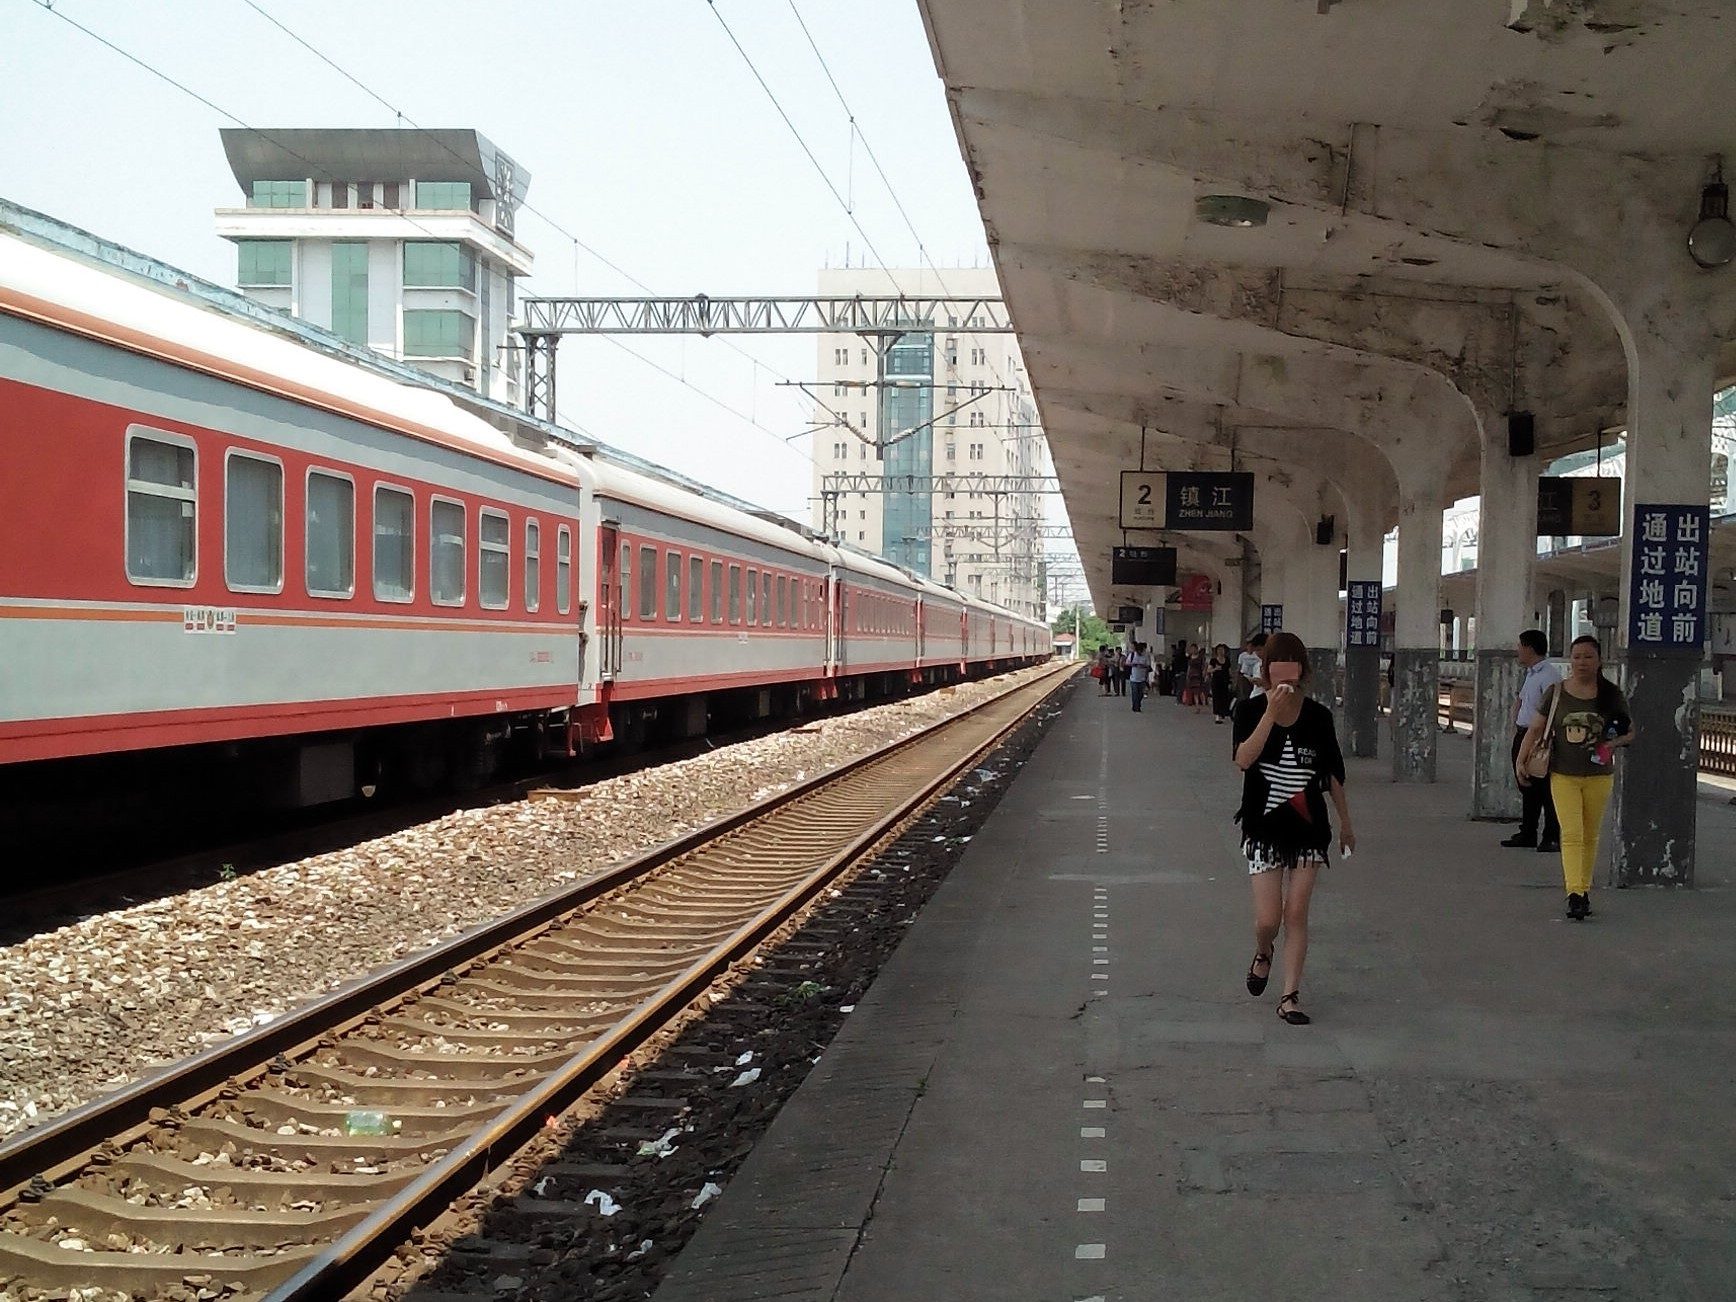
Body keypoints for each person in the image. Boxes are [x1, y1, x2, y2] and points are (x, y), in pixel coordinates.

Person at [1232, 633, 1355, 1026]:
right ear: (1266, 670)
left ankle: (1290, 996)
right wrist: (1270, 712)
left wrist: (1347, 824)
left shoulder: (1319, 716)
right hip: (1262, 826)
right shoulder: (1249, 712)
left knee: (1297, 912)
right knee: (1269, 918)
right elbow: (1243, 760)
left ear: (1302, 669)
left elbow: (1333, 774)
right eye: (1276, 665)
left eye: (1291, 665)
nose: (1284, 673)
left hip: (1309, 829)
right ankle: (1263, 951)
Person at [1516, 634, 1634, 920]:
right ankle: (1575, 894)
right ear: (1571, 660)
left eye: (1588, 656)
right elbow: (1534, 729)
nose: (1582, 662)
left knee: (1590, 835)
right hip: (1563, 774)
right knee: (1571, 833)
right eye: (1577, 656)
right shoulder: (1556, 693)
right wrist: (1521, 759)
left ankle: (1584, 886)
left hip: (1599, 775)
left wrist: (1610, 745)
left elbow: (1630, 731)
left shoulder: (1611, 694)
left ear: (1599, 660)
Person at [1501, 629, 1562, 852]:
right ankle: (1528, 831)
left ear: (1529, 647)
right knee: (1526, 785)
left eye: (1519, 646)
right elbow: (1523, 701)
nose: (1517, 650)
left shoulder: (1548, 676)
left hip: (1539, 739)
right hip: (1524, 734)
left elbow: (1553, 710)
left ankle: (1552, 835)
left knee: (1545, 788)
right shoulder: (1532, 673)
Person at [1237, 633, 1267, 702]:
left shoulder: (1273, 664)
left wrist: (1263, 682)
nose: (1258, 653)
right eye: (1256, 651)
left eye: (1259, 650)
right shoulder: (1257, 664)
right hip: (1256, 694)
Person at [1210, 643, 1234, 724]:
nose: (1221, 651)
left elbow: (1229, 671)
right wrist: (1216, 668)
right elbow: (1209, 670)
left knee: (1224, 697)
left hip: (1225, 681)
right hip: (1216, 681)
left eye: (1222, 650)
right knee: (1216, 698)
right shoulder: (1213, 660)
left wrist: (1231, 680)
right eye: (1219, 650)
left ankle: (1222, 713)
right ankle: (1217, 715)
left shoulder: (1227, 660)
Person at [1127, 641, 1153, 711]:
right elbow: (1127, 663)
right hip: (1133, 677)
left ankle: (1137, 703)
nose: (1139, 652)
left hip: (1142, 678)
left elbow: (1148, 666)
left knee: (1141, 694)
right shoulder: (1132, 655)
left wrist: (1142, 666)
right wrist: (1134, 664)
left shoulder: (1146, 656)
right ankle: (1136, 707)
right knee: (1135, 693)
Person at [1187, 643, 1208, 715]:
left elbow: (1205, 665)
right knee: (1195, 692)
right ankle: (1197, 706)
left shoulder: (1200, 657)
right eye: (1191, 649)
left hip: (1199, 675)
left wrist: (1204, 673)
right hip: (1192, 676)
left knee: (1200, 691)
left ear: (1196, 649)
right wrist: (1188, 675)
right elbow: (1189, 667)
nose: (1192, 650)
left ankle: (1204, 704)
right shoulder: (1190, 657)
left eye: (1194, 648)